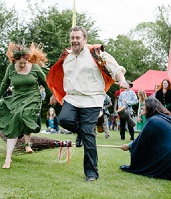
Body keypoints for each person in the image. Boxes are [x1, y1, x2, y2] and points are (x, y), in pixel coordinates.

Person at [46, 26, 129, 181]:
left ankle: (91, 173)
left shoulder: (96, 54)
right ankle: (85, 132)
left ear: (84, 39)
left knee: (88, 134)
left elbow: (115, 68)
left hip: (92, 98)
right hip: (72, 98)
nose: (75, 40)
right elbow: (62, 77)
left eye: (78, 38)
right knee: (64, 120)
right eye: (72, 38)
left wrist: (122, 80)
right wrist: (54, 94)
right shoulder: (67, 57)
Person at [0, 42, 48, 168]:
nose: (23, 65)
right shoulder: (10, 69)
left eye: (25, 62)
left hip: (33, 97)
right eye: (20, 63)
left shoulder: (34, 68)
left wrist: (53, 96)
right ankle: (8, 158)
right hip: (17, 98)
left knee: (22, 114)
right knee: (14, 122)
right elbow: (4, 83)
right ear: (14, 61)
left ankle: (27, 144)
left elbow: (45, 83)